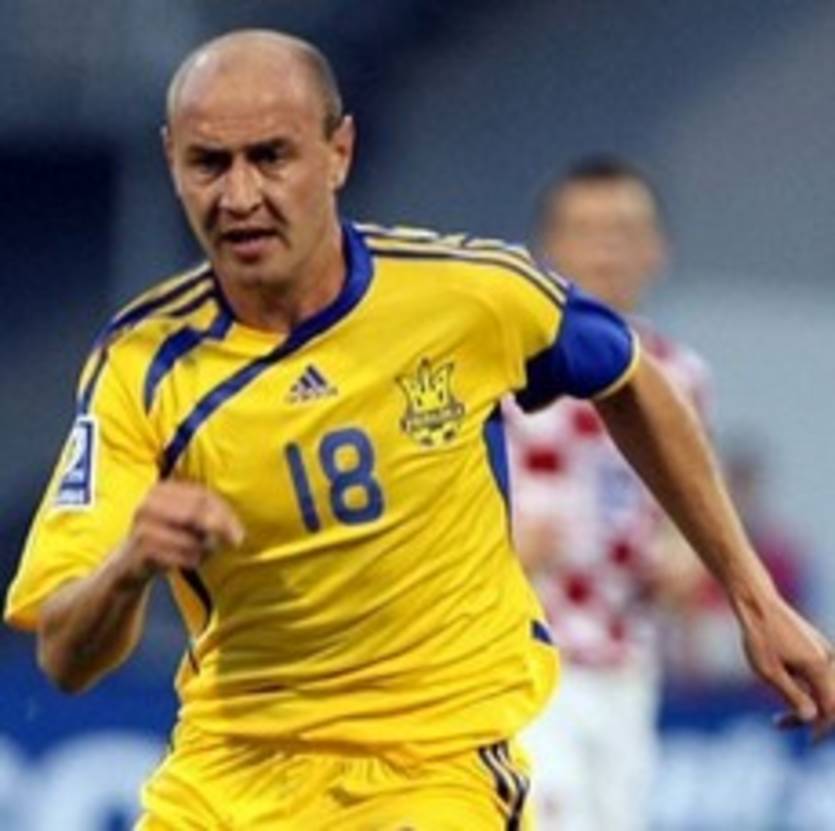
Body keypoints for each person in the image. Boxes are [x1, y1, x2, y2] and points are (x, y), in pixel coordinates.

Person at [3, 30, 833, 831]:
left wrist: (752, 597)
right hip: (225, 777)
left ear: (339, 152)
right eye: (208, 163)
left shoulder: (468, 296)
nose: (240, 196)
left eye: (272, 156)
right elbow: (66, 659)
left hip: (434, 766)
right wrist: (129, 565)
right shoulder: (139, 364)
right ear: (171, 163)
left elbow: (630, 378)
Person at [505, 156, 713, 830]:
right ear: (547, 248)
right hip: (524, 656)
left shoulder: (678, 376)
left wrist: (685, 557)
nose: (606, 250)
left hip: (628, 659)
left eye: (624, 232)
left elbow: (692, 505)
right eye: (586, 231)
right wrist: (499, 542)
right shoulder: (504, 364)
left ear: (657, 250)